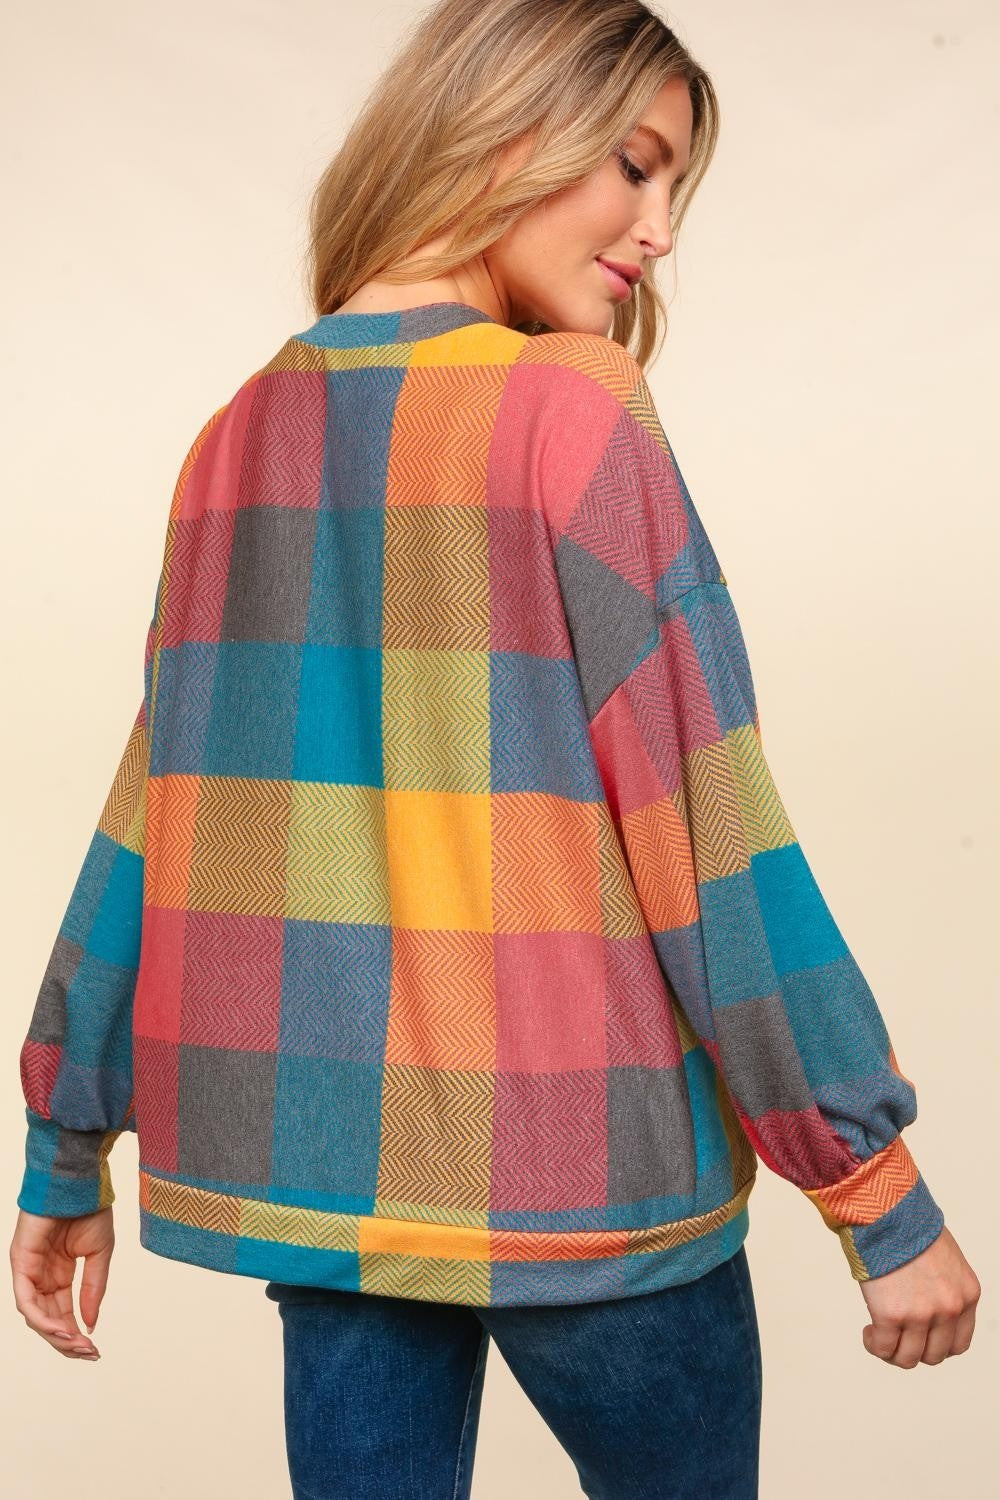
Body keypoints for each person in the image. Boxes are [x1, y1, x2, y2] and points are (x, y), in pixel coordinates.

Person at [9, 1, 980, 1496]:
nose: (658, 230)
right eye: (637, 167)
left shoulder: (231, 437)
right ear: (510, 124)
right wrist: (872, 1184)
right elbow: (710, 822)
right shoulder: (568, 408)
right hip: (576, 1172)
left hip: (328, 1187)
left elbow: (153, 810)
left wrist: (66, 1142)